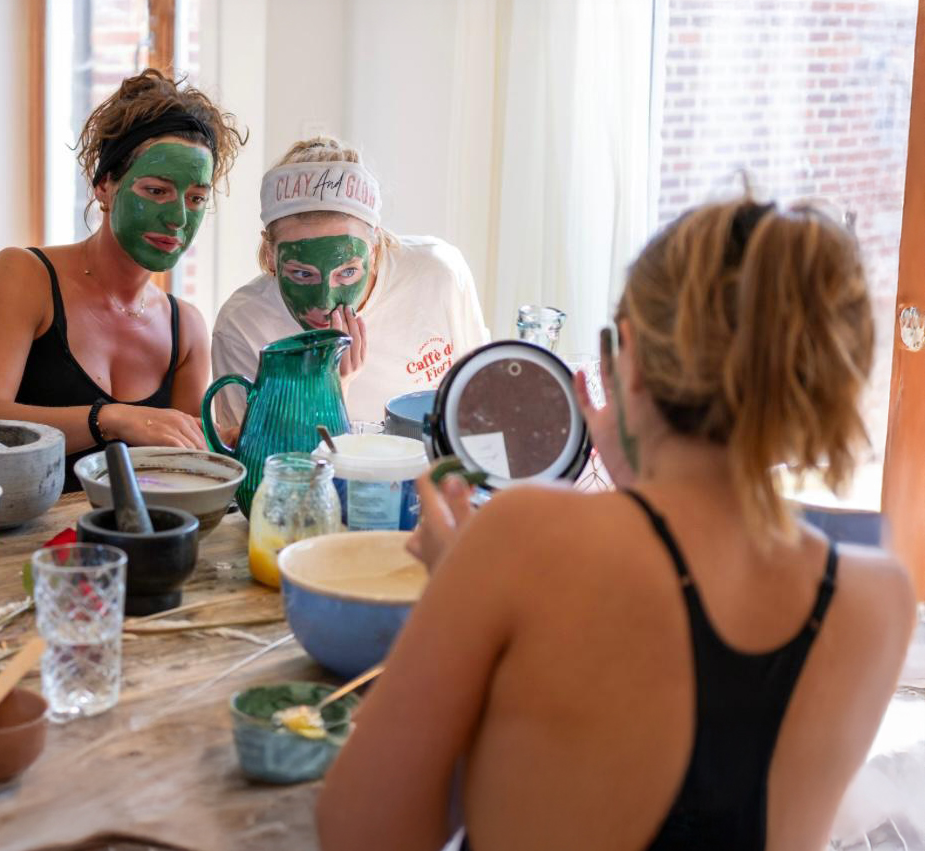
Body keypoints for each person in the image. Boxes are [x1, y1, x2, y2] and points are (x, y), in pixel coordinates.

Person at [317, 199, 914, 850]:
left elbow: (362, 829)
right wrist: (639, 474)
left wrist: (455, 586)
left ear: (622, 357)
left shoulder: (521, 536)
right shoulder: (877, 600)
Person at [0, 70, 244, 490]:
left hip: (125, 529)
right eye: (157, 191)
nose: (179, 218)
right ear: (104, 186)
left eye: (196, 199)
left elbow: (186, 470)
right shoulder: (22, 277)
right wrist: (108, 418)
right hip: (2, 526)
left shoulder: (187, 329)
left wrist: (231, 441)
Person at [210, 137, 489, 428]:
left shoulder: (437, 276)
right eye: (302, 274)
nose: (325, 304)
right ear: (270, 256)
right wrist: (333, 388)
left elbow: (482, 406)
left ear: (375, 248)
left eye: (347, 272)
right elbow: (250, 454)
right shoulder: (242, 325)